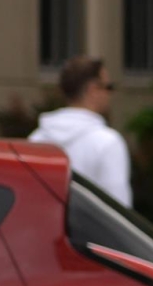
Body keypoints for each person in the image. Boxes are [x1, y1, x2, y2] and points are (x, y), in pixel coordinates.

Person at [30, 57, 134, 205]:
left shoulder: (37, 139)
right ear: (93, 89)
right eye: (108, 87)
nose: (110, 94)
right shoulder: (108, 143)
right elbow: (119, 207)